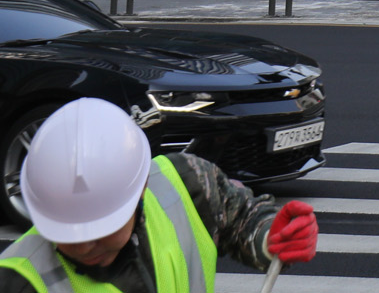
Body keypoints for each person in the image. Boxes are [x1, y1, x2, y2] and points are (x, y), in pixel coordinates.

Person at [0, 97, 320, 292]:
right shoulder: (16, 281)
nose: (84, 246)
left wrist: (270, 237)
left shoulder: (184, 183)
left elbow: (241, 219)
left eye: (101, 228)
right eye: (65, 231)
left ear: (139, 191)